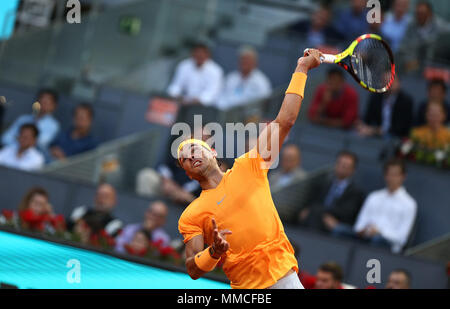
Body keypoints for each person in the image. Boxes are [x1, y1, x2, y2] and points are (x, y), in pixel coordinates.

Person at [177, 49, 322, 289]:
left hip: (284, 278)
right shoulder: (191, 215)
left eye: (194, 148)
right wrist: (213, 251)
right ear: (188, 174)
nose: (190, 156)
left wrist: (301, 69)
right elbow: (192, 268)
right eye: (184, 159)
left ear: (212, 152)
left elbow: (284, 121)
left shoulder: (249, 165)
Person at [338, 159, 417, 253]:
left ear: (403, 177)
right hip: (365, 237)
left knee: (377, 240)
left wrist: (380, 232)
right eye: (389, 174)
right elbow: (359, 225)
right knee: (340, 230)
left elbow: (401, 238)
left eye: (395, 175)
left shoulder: (409, 204)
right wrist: (364, 230)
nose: (391, 178)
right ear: (385, 176)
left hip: (387, 245)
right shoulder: (374, 196)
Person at [299, 151, 365, 233]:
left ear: (353, 170)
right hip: (318, 217)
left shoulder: (356, 191)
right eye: (339, 164)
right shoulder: (323, 183)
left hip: (337, 221)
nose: (341, 167)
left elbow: (347, 212)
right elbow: (312, 201)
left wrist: (325, 214)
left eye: (345, 166)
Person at [167, 43, 224, 107]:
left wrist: (197, 101)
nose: (199, 56)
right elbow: (176, 85)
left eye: (202, 54)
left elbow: (211, 93)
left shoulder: (215, 71)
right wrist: (176, 95)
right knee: (170, 111)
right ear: (192, 54)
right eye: (197, 53)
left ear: (208, 55)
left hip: (201, 107)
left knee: (197, 116)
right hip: (182, 103)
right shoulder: (184, 65)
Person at [397, 1, 448, 73]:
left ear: (430, 14)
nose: (419, 16)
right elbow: (403, 47)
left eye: (422, 14)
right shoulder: (410, 26)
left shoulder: (440, 26)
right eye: (417, 13)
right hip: (414, 67)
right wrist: (409, 60)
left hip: (434, 66)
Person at [218, 46, 272, 111]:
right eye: (242, 59)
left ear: (254, 62)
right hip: (227, 113)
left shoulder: (261, 81)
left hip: (249, 116)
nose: (244, 62)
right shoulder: (231, 77)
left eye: (247, 60)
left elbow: (264, 102)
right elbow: (221, 96)